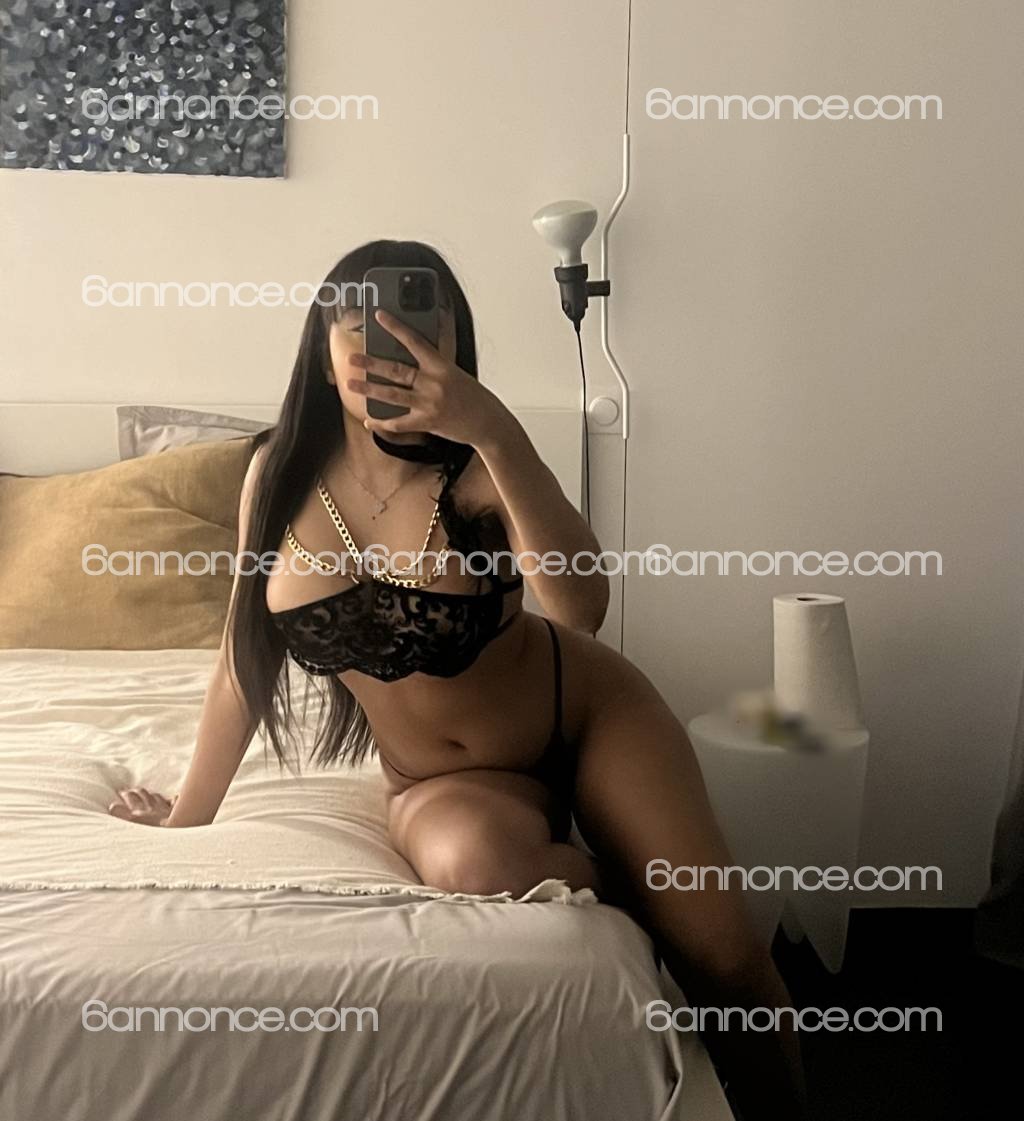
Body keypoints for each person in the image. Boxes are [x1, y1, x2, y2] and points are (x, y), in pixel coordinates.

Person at [109, 240, 806, 1119]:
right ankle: (631, 886)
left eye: (416, 326)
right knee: (474, 864)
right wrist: (185, 815)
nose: (386, 345)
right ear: (322, 355)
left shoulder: (478, 468)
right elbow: (239, 665)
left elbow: (581, 606)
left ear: (452, 346)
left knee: (728, 955)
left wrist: (496, 431)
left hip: (589, 713)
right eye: (358, 327)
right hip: (444, 778)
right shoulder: (275, 476)